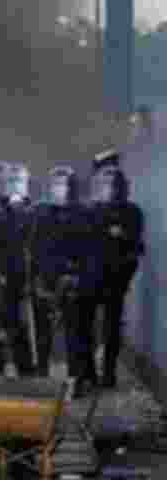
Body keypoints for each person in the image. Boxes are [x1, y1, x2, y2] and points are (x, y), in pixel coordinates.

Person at [32, 166, 101, 392]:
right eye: (58, 185)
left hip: (74, 281)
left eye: (66, 185)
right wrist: (38, 279)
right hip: (47, 279)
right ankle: (42, 377)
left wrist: (81, 279)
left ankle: (76, 380)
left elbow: (92, 252)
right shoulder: (41, 213)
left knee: (76, 333)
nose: (61, 190)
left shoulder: (85, 214)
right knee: (44, 334)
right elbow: (34, 247)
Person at [91, 166, 144, 389]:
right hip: (93, 276)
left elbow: (136, 246)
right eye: (106, 184)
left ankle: (108, 372)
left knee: (111, 327)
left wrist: (121, 237)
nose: (110, 188)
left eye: (114, 184)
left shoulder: (132, 212)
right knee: (89, 326)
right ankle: (90, 372)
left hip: (116, 278)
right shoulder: (93, 211)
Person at [0, 163, 36, 376]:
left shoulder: (28, 210)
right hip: (4, 274)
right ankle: (0, 363)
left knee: (18, 322)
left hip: (21, 275)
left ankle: (24, 366)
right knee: (0, 321)